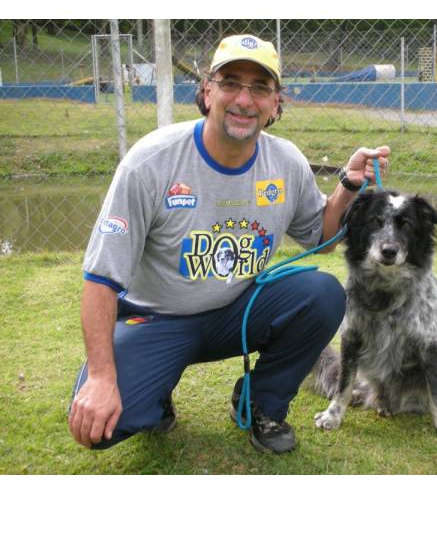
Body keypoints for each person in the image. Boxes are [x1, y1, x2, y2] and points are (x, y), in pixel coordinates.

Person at [68, 34, 390, 454]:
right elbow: (100, 278)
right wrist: (100, 379)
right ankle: (154, 393)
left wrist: (347, 184)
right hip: (158, 319)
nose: (244, 99)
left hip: (235, 313)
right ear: (207, 91)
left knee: (322, 294)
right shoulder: (150, 163)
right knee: (103, 428)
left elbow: (321, 238)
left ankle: (261, 404)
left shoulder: (286, 161)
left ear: (276, 103)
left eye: (260, 87)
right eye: (230, 82)